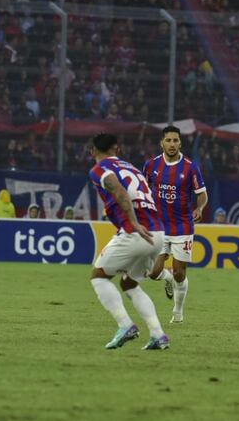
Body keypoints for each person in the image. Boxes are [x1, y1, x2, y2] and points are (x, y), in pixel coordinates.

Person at [88, 133, 169, 350]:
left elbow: (120, 191)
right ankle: (158, 334)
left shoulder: (100, 169)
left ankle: (125, 325)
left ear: (92, 151)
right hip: (157, 233)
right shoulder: (132, 168)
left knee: (99, 277)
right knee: (129, 283)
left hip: (136, 232)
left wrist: (133, 222)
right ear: (118, 149)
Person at [143, 126, 208, 324]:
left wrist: (200, 208)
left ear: (180, 143)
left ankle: (178, 313)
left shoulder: (190, 167)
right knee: (154, 273)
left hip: (182, 227)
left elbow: (202, 194)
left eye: (176, 141)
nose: (172, 144)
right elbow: (142, 190)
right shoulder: (151, 165)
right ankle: (167, 279)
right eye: (168, 140)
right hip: (159, 226)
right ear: (161, 143)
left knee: (180, 273)